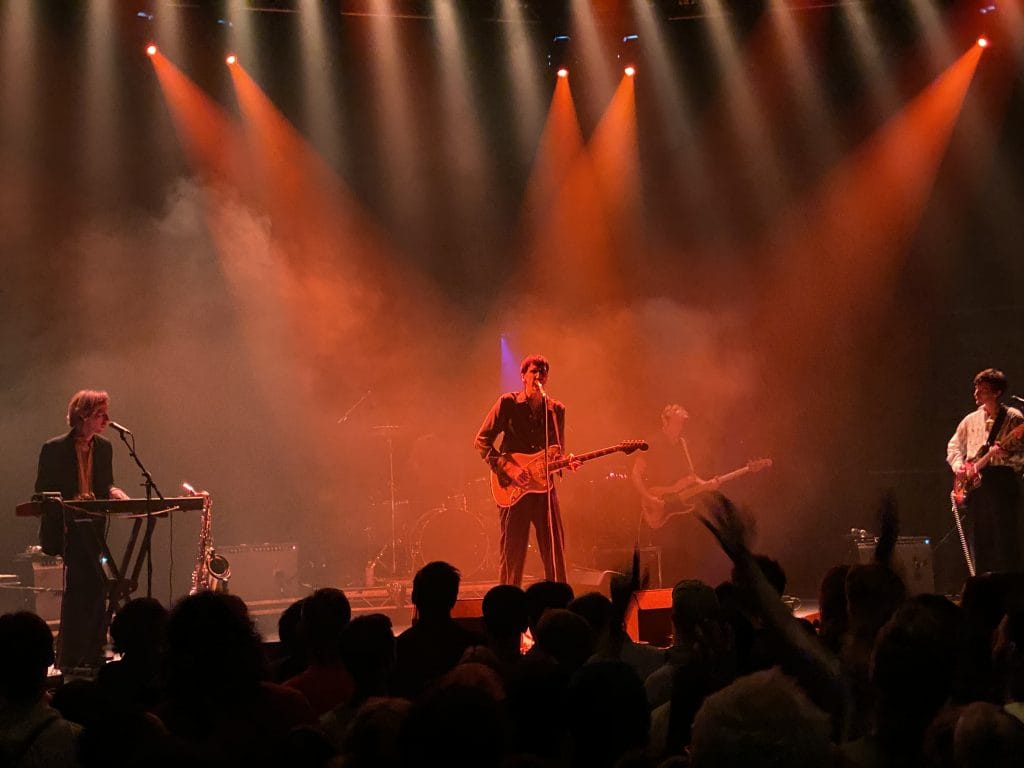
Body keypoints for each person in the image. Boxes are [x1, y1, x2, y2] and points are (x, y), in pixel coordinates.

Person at [35, 390, 129, 671]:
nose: (107, 420)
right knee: (86, 586)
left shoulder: (105, 447)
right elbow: (41, 490)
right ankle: (77, 654)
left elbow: (106, 482)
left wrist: (114, 490)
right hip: (67, 528)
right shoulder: (53, 448)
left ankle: (90, 652)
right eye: (101, 414)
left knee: (94, 585)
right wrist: (66, 502)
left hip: (93, 527)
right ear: (84, 415)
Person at [475, 354, 575, 586]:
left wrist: (565, 461)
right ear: (523, 376)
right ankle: (509, 605)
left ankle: (558, 601)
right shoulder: (508, 403)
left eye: (543, 372)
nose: (538, 376)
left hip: (543, 487)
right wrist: (507, 467)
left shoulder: (555, 409)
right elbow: (481, 440)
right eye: (533, 372)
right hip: (513, 489)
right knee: (513, 551)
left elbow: (556, 450)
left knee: (554, 548)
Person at [947, 368, 1024, 574]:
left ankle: (1011, 588)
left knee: (1005, 539)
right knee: (979, 538)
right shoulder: (970, 420)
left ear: (997, 392)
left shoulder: (1013, 418)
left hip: (1002, 480)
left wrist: (1004, 455)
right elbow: (954, 446)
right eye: (976, 389)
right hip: (976, 483)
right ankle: (982, 585)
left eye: (982, 390)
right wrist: (959, 467)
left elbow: (1021, 456)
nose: (976, 394)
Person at [631, 404, 718, 586]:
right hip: (660, 505)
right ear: (665, 422)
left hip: (680, 507)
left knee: (688, 553)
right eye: (676, 423)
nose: (679, 428)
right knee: (668, 555)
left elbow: (691, 476)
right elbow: (636, 474)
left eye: (681, 424)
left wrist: (706, 484)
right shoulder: (652, 442)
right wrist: (648, 498)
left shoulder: (683, 444)